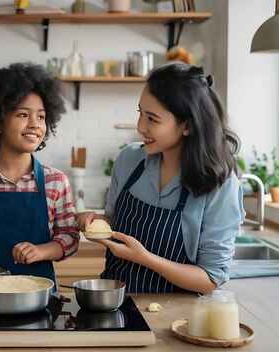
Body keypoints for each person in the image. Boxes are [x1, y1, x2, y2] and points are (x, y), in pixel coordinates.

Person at [76, 62, 245, 294]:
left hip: (175, 318)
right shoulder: (129, 160)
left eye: (152, 119)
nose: (140, 126)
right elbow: (115, 222)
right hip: (115, 304)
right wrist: (98, 221)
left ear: (187, 125)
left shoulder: (221, 186)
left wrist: (146, 259)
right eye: (140, 113)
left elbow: (210, 279)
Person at [0, 62, 79, 284]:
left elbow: (70, 236)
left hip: (40, 297)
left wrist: (41, 251)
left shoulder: (56, 182)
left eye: (41, 116)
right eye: (22, 115)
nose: (34, 124)